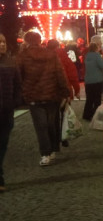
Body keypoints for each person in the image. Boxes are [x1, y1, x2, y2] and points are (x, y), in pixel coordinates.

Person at [16, 31, 72, 166]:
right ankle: (53, 149)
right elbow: (60, 73)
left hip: (33, 95)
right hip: (52, 94)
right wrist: (66, 91)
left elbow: (18, 77)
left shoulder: (22, 57)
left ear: (26, 41)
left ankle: (45, 153)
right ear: (40, 40)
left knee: (40, 126)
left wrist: (22, 93)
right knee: (51, 123)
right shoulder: (51, 54)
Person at [0, 35, 23, 191]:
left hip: (6, 110)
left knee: (2, 144)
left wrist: (15, 102)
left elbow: (18, 84)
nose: (2, 45)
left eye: (3, 42)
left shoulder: (10, 62)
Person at [82, 42, 103, 122]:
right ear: (96, 48)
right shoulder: (97, 56)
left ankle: (86, 115)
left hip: (88, 81)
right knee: (97, 99)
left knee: (89, 99)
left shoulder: (87, 56)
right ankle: (95, 115)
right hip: (97, 80)